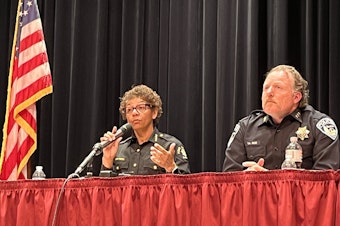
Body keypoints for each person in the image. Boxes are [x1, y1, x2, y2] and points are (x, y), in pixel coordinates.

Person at [222, 65, 340, 171]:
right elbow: (229, 178)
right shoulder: (245, 127)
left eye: (278, 87)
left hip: (302, 196)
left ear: (296, 97)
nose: (269, 92)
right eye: (266, 87)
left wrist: (269, 182)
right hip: (255, 195)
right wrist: (248, 178)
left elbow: (326, 180)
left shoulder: (319, 125)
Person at [100, 84, 190, 175]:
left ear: (154, 112)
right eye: (129, 109)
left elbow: (186, 187)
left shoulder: (170, 146)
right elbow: (105, 189)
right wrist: (107, 161)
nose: (134, 113)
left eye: (141, 107)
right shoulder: (119, 149)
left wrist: (171, 168)